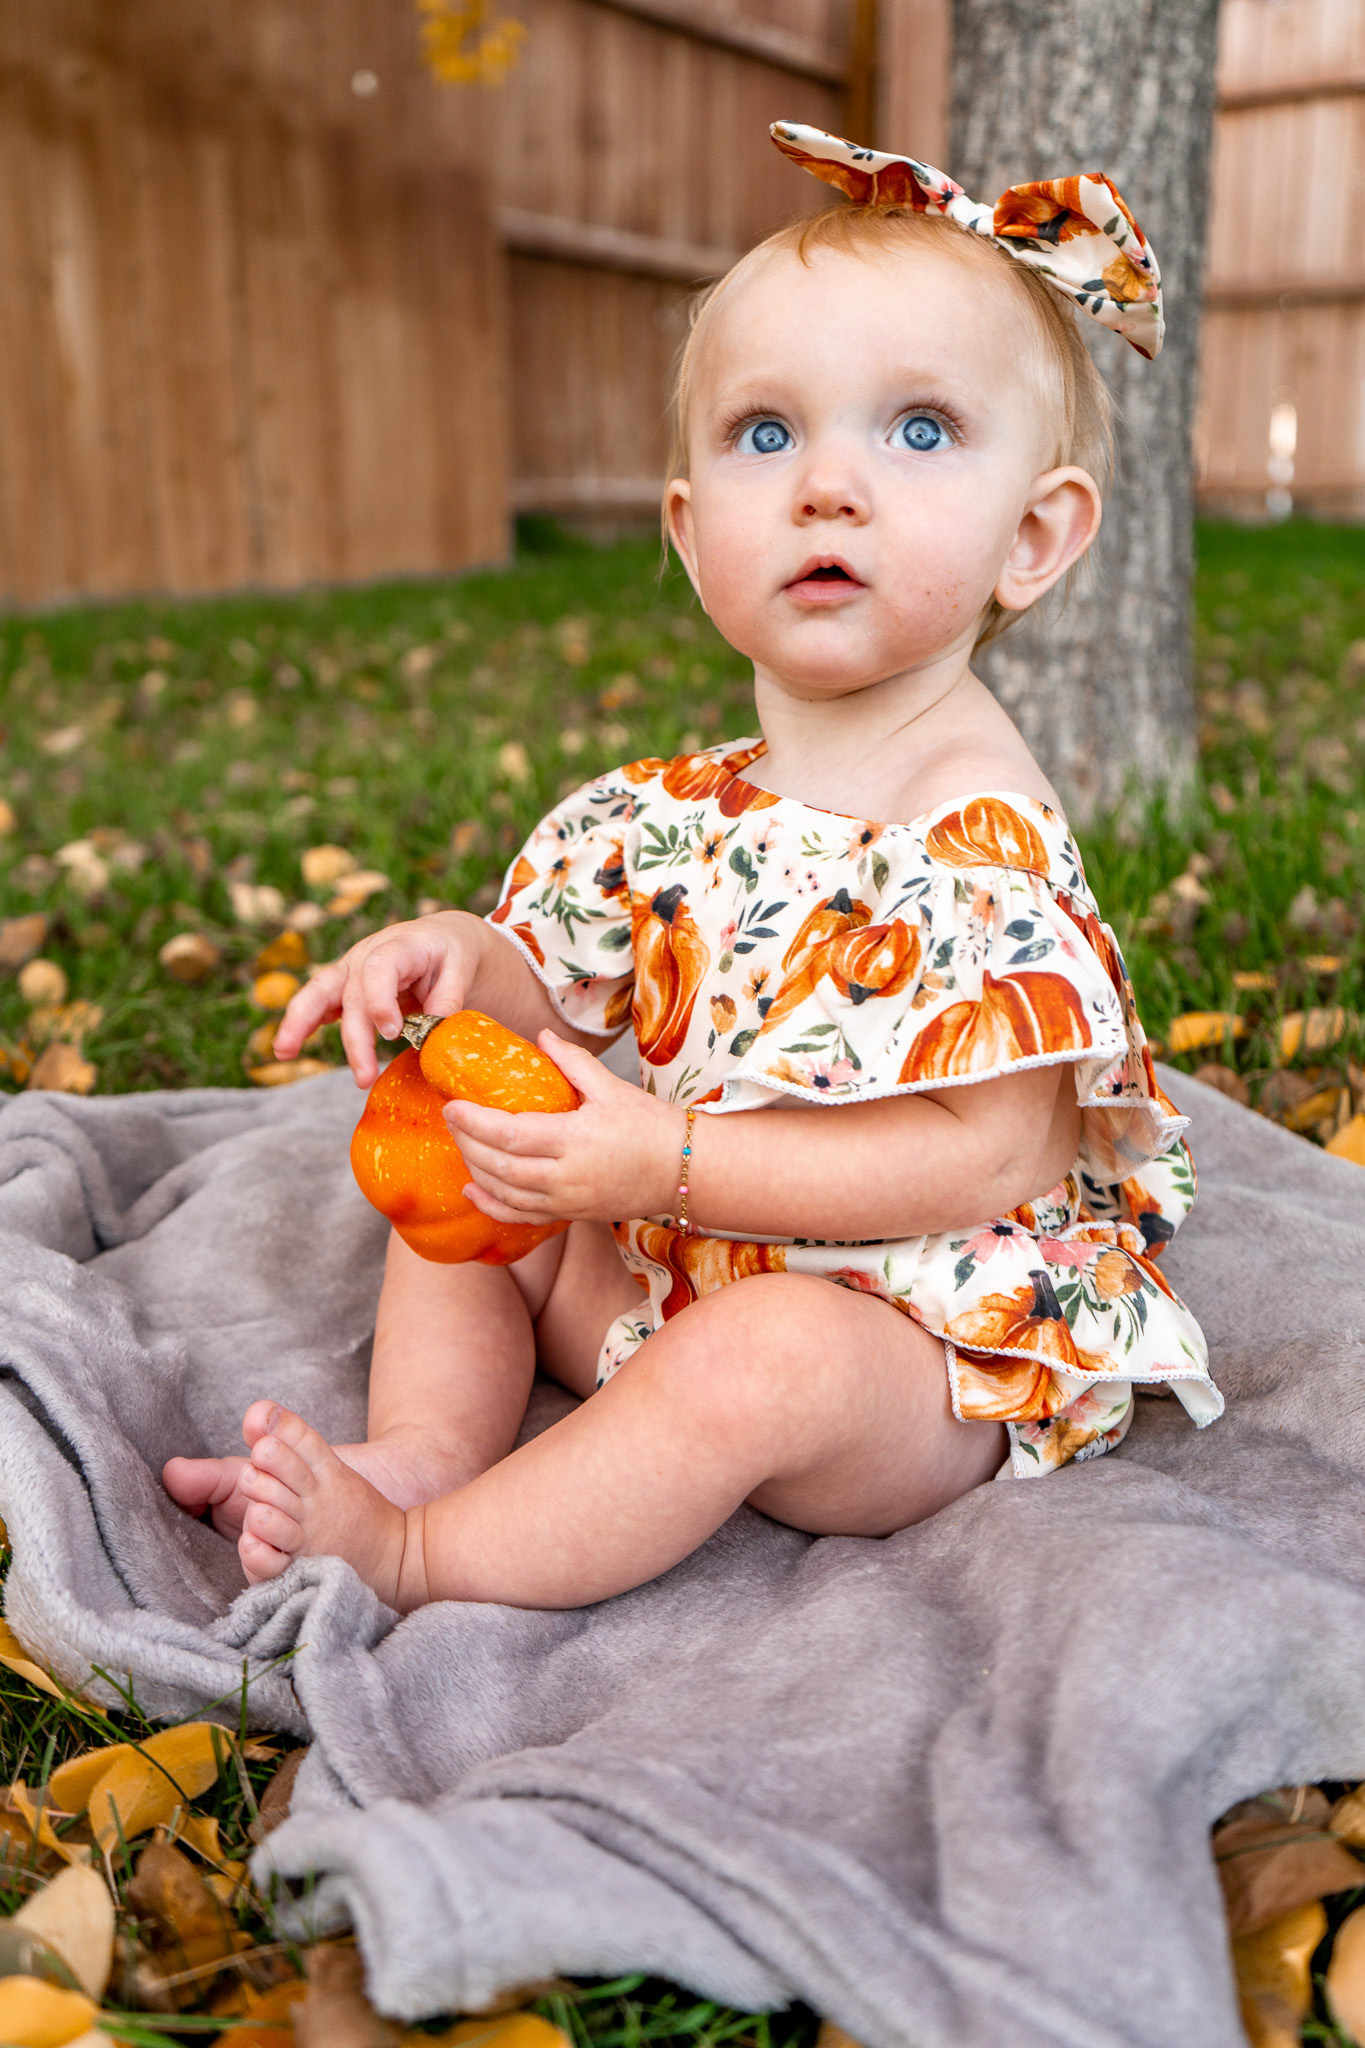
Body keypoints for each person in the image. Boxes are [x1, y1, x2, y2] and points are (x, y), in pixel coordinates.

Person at [164, 123, 1220, 1612]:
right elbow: (546, 994)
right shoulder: (672, 813)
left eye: (918, 432)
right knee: (472, 1165)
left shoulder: (973, 832)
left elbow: (995, 1157)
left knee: (758, 1359)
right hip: (674, 1257)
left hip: (905, 1344)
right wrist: (459, 962)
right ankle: (420, 1454)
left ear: (1031, 538)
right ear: (687, 526)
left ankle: (416, 1556)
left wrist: (664, 1162)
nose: (827, 485)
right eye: (765, 435)